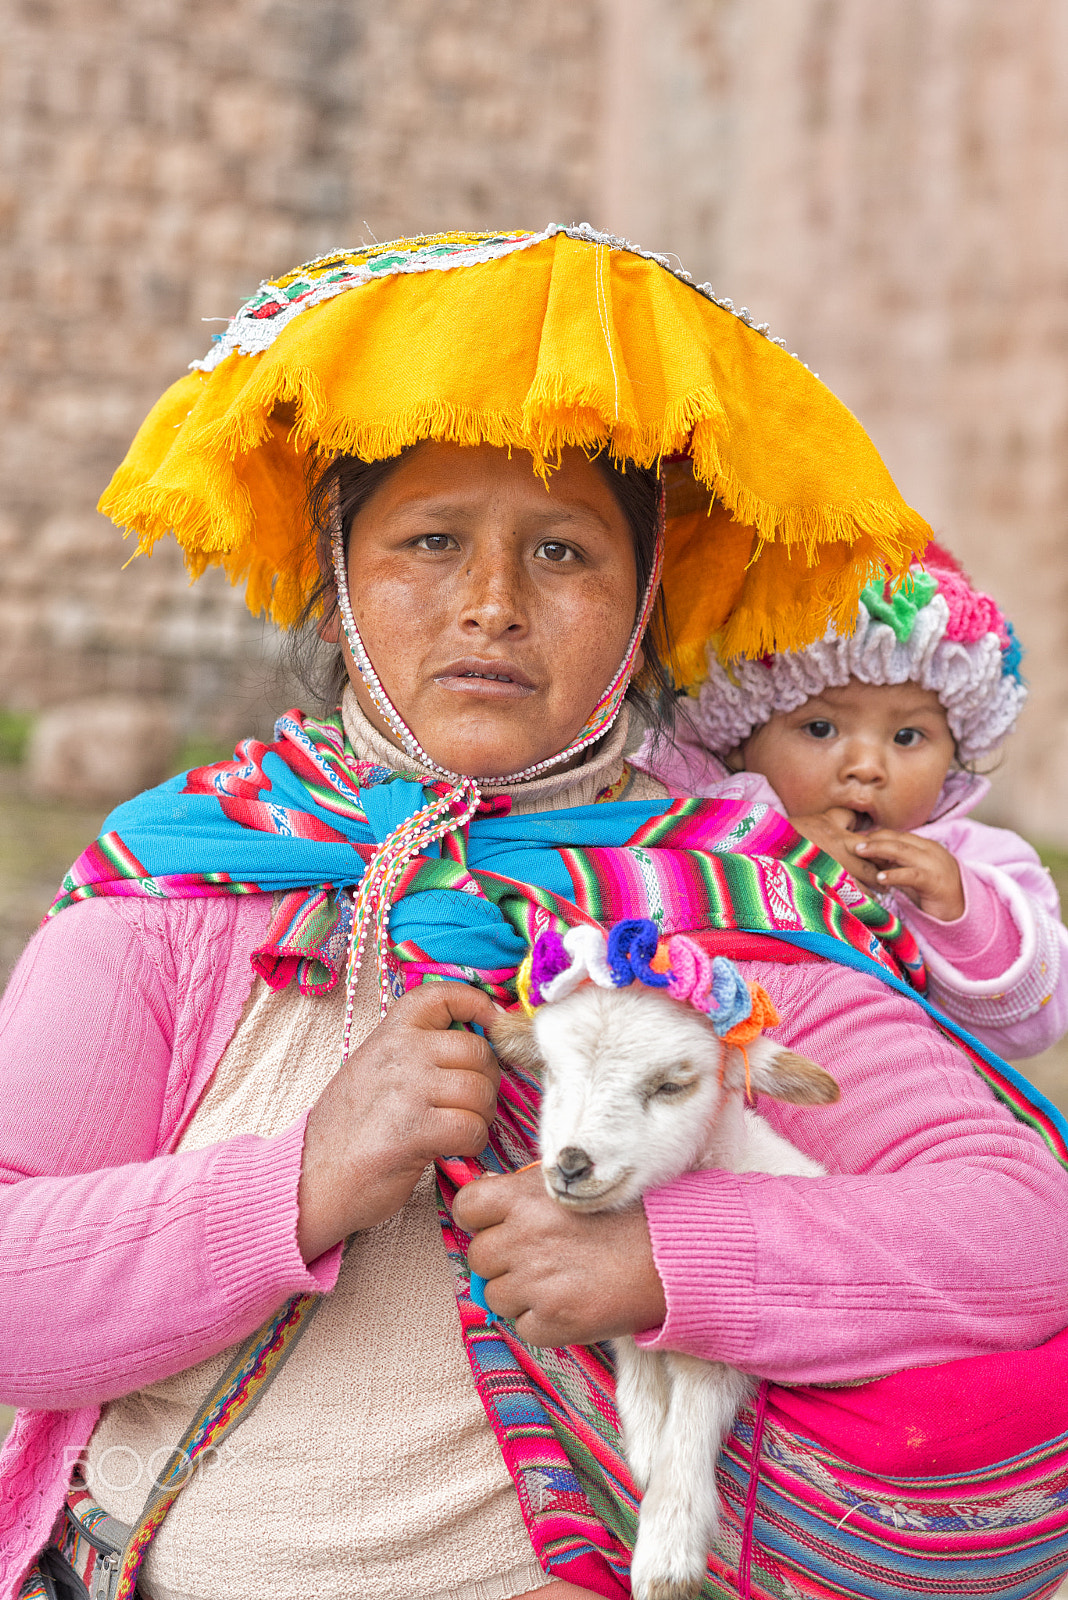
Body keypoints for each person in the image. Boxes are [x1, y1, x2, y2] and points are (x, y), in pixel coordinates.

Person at [2, 227, 1068, 1600]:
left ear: (640, 613)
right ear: (339, 583)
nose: (492, 606)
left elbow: (1019, 1231)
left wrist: (661, 1262)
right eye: (430, 541)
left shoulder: (723, 907)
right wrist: (303, 1181)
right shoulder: (188, 884)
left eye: (562, 553)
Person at [636, 542, 1068, 1060]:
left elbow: (1034, 1024)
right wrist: (771, 844)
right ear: (739, 735)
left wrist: (959, 910)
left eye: (908, 737)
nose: (867, 766)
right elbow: (646, 880)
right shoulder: (702, 805)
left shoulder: (981, 862)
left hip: (901, 1090)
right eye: (820, 728)